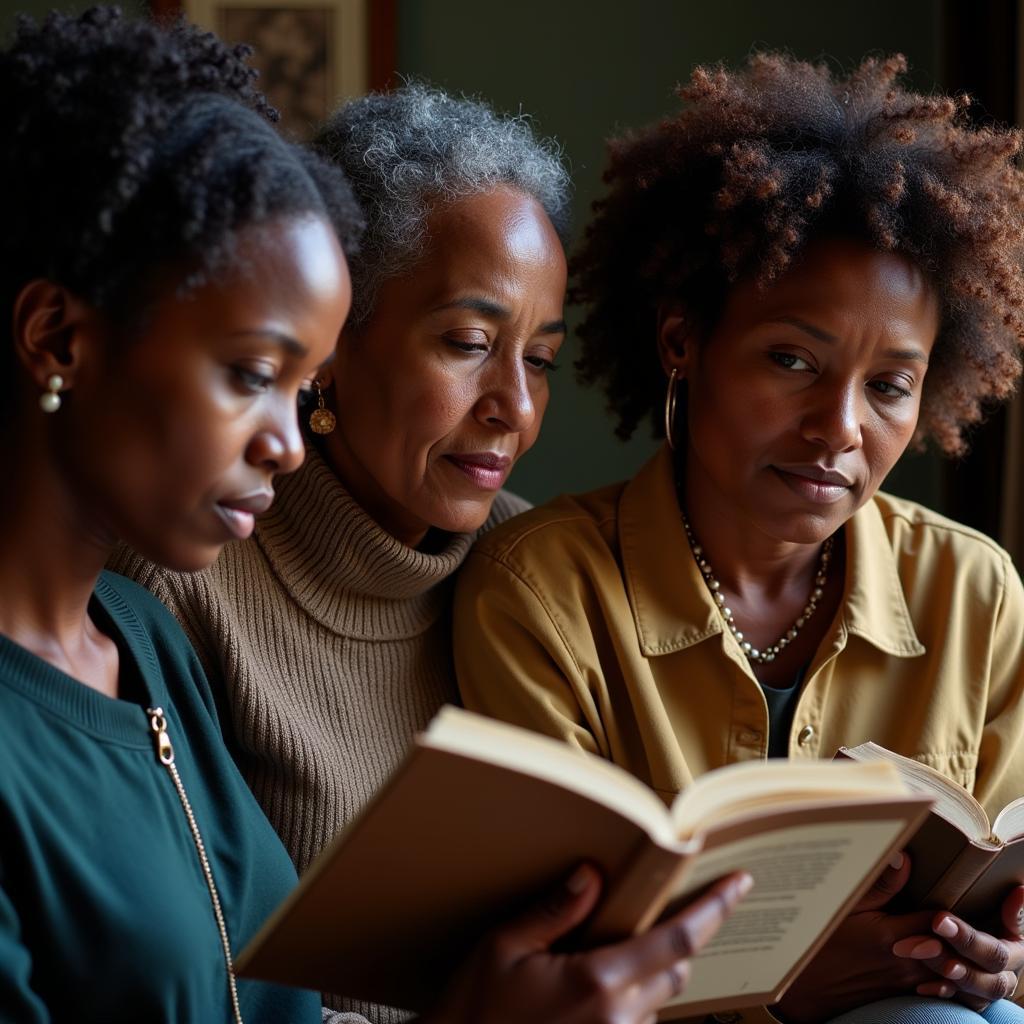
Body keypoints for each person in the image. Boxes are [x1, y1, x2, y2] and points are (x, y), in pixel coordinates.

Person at [104, 74, 750, 1023]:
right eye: (465, 342)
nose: (515, 409)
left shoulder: (531, 564)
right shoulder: (178, 582)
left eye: (537, 359)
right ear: (333, 339)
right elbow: (182, 989)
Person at [453, 53, 1024, 1024]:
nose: (839, 426)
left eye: (889, 384)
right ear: (683, 342)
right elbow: (555, 966)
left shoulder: (973, 590)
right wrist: (772, 989)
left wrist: (999, 960)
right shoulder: (542, 589)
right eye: (791, 359)